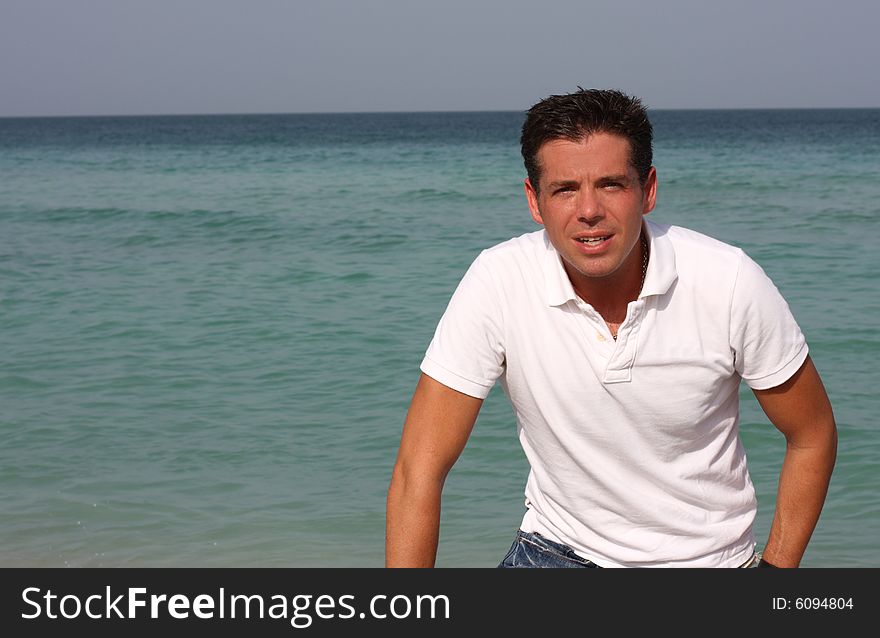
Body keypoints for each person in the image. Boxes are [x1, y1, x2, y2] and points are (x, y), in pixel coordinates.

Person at [385, 88, 837, 568]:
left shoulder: (727, 281)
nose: (588, 211)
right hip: (554, 554)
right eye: (564, 189)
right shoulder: (499, 280)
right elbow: (420, 470)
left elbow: (812, 433)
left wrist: (776, 572)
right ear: (534, 201)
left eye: (611, 184)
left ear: (649, 190)